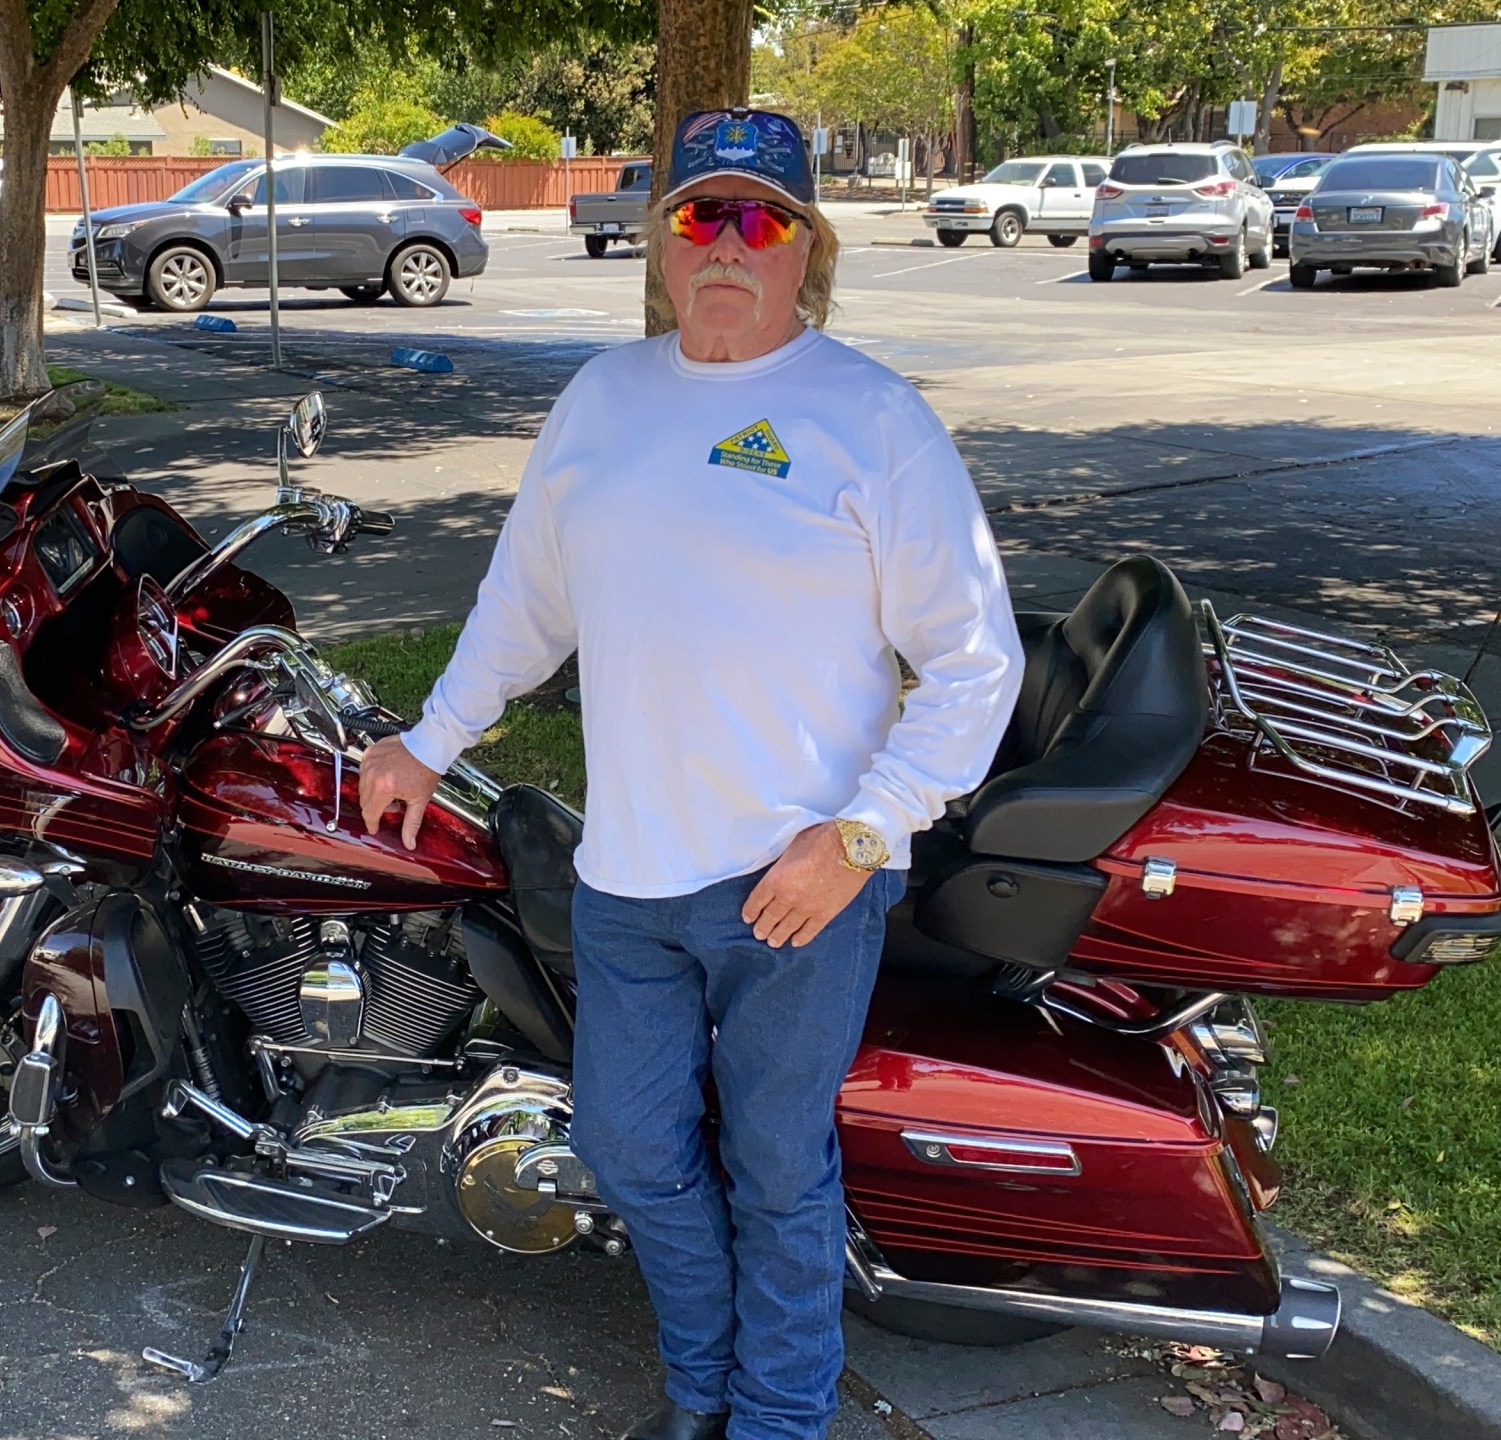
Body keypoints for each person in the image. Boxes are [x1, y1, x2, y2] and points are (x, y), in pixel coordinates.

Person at [358, 107, 1023, 1440]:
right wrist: (428, 740)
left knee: (779, 1174)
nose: (728, 246)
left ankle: (772, 1421)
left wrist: (858, 838)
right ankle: (704, 1389)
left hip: (796, 890)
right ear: (660, 244)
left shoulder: (872, 419)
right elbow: (523, 605)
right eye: (699, 217)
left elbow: (976, 659)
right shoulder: (605, 400)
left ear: (805, 251)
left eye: (761, 219)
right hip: (630, 877)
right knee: (629, 1147)